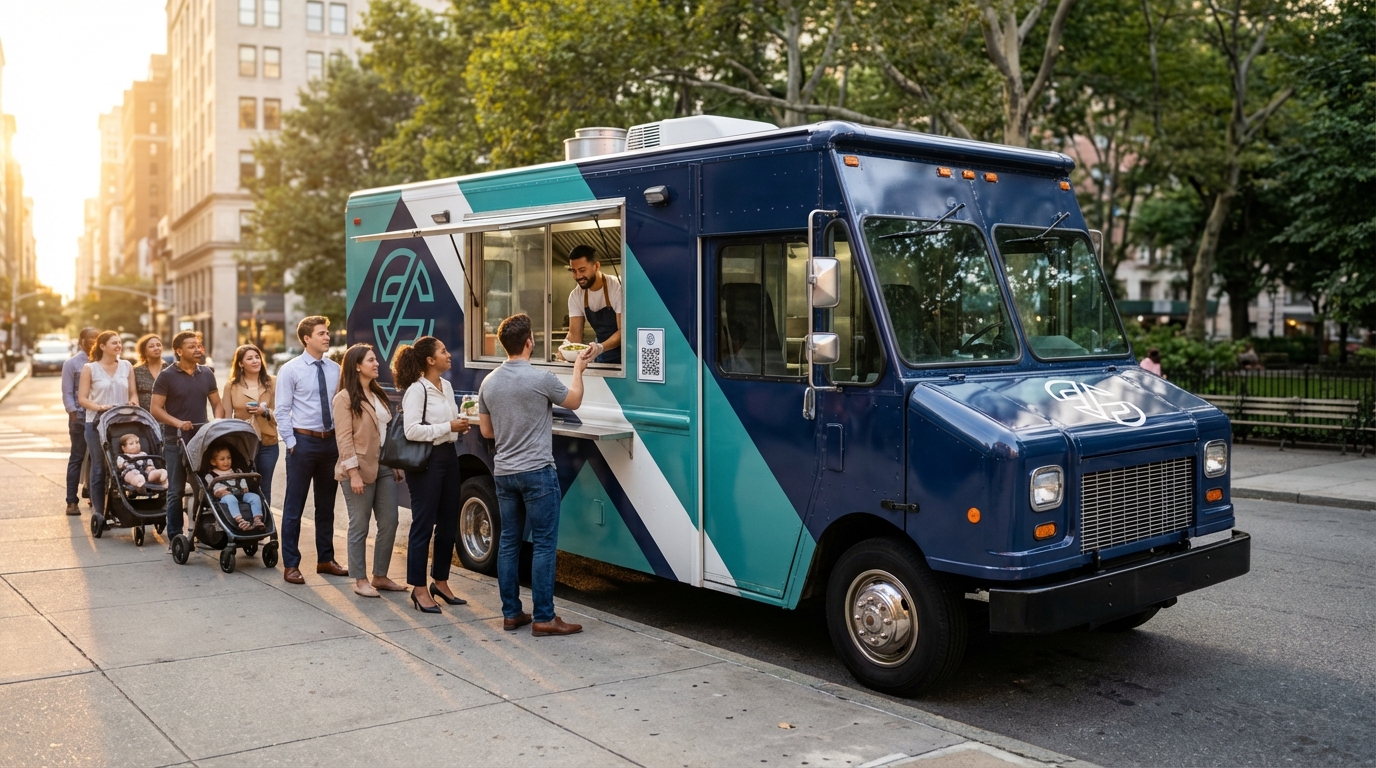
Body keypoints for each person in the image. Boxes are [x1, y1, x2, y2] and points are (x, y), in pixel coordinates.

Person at [478, 313, 590, 636]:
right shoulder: (542, 379)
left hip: (504, 474)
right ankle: (544, 616)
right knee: (543, 544)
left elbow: (487, 432)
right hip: (538, 472)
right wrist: (578, 369)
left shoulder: (488, 382)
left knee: (509, 542)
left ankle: (512, 613)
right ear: (529, 342)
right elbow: (576, 401)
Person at [392, 335, 471, 613]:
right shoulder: (417, 389)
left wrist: (459, 423)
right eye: (443, 351)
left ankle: (441, 581)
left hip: (448, 456)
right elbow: (411, 430)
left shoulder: (446, 385)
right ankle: (419, 588)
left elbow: (445, 423)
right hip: (426, 461)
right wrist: (447, 426)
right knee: (423, 524)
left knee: (449, 521)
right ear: (430, 360)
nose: (449, 354)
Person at [274, 316, 344, 585]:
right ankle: (291, 564)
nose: (327, 337)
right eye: (321, 333)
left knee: (326, 506)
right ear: (306, 338)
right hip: (303, 444)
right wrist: (292, 443)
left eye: (327, 332)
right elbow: (281, 410)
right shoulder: (290, 369)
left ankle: (325, 559)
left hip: (330, 443)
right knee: (294, 507)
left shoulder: (335, 369)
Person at [332, 344, 406, 598]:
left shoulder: (378, 393)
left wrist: (394, 463)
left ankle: (381, 576)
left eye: (376, 360)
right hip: (358, 467)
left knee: (390, 521)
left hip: (384, 465)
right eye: (371, 360)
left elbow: (386, 434)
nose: (377, 364)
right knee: (360, 525)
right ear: (356, 366)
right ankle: (360, 578)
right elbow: (344, 439)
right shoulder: (343, 399)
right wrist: (353, 473)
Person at [150, 331, 222, 551]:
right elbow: (155, 409)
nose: (198, 349)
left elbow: (217, 404)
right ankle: (175, 538)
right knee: (175, 491)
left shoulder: (207, 374)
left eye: (199, 345)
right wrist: (178, 423)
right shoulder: (166, 376)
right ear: (179, 351)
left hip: (201, 441)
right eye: (192, 346)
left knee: (203, 488)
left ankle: (201, 532)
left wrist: (217, 421)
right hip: (175, 441)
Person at [77, 331, 140, 522]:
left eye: (120, 342)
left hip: (121, 423)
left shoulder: (127, 366)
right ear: (102, 346)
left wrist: (133, 404)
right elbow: (82, 399)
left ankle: (120, 509)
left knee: (122, 465)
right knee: (99, 467)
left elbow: (133, 393)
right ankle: (98, 512)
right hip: (96, 423)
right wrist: (99, 407)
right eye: (114, 343)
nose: (119, 345)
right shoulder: (90, 368)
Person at [218, 344, 279, 504]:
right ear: (240, 364)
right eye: (249, 358)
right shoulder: (231, 386)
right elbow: (226, 417)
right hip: (242, 444)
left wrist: (264, 412)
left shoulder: (273, 382)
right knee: (246, 485)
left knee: (264, 486)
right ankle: (246, 521)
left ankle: (265, 524)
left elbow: (282, 412)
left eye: (257, 357)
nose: (255, 361)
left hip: (268, 442)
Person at [563, 245, 623, 364]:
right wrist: (566, 347)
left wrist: (600, 347)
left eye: (582, 270)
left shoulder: (617, 287)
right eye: (574, 271)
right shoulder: (576, 295)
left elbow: (624, 331)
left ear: (596, 266)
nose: (578, 276)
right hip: (601, 357)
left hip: (625, 357)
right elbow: (575, 334)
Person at [62, 327, 99, 516]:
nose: (94, 340)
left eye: (97, 337)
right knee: (77, 457)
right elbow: (67, 392)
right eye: (91, 338)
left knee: (97, 459)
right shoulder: (72, 364)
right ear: (82, 341)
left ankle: (95, 496)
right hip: (80, 418)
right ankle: (71, 501)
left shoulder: (102, 361)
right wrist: (73, 412)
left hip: (100, 419)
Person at [203, 444, 266, 532]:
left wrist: (244, 487)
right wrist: (221, 492)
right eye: (222, 459)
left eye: (229, 458)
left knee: (255, 497)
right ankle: (240, 521)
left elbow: (242, 479)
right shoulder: (211, 475)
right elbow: (214, 488)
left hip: (240, 494)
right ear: (213, 462)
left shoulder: (236, 471)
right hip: (224, 498)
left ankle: (257, 519)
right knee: (231, 499)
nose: (226, 462)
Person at [132, 334, 165, 411]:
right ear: (144, 351)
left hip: (167, 416)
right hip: (144, 417)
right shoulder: (136, 371)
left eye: (158, 345)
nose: (156, 348)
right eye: (151, 346)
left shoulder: (169, 369)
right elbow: (132, 394)